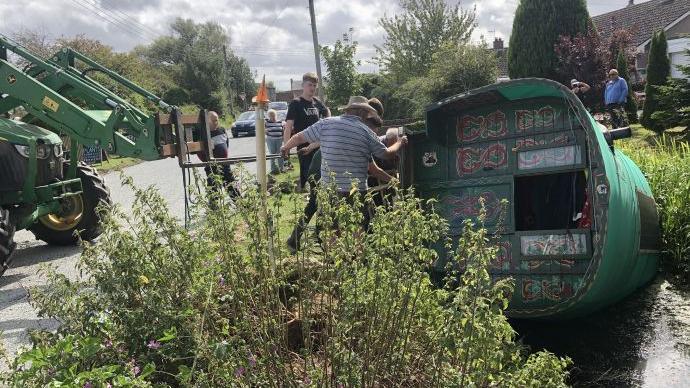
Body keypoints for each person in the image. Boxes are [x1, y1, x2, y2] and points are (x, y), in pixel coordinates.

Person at [281, 96, 406, 235]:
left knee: (333, 230)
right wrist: (400, 142)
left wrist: (286, 147)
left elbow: (299, 137)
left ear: (348, 110)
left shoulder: (326, 123)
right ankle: (356, 256)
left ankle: (333, 254)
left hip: (330, 187)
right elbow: (386, 154)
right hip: (355, 190)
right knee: (357, 229)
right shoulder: (366, 132)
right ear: (364, 113)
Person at [284, 72, 330, 191]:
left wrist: (327, 118)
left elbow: (327, 113)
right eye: (310, 85)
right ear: (303, 85)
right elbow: (288, 127)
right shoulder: (296, 103)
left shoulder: (317, 102)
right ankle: (313, 200)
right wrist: (286, 147)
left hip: (318, 147)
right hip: (303, 148)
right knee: (310, 177)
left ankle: (318, 201)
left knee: (321, 177)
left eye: (315, 86)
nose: (313, 88)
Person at [202, 111, 239, 202]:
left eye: (217, 120)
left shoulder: (222, 130)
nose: (216, 123)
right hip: (212, 166)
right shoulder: (203, 134)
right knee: (213, 187)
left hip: (225, 164)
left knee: (231, 185)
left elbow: (226, 144)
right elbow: (200, 152)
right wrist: (208, 161)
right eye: (214, 121)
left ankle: (241, 205)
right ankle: (214, 209)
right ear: (207, 121)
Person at [265, 109, 284, 175]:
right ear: (268, 116)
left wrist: (283, 138)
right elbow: (262, 129)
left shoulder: (280, 122)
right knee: (272, 154)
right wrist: (265, 130)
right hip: (271, 140)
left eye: (273, 115)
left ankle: (281, 168)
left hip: (279, 139)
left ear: (275, 115)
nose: (272, 116)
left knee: (280, 153)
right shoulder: (267, 122)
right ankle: (273, 169)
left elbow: (283, 130)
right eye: (270, 115)